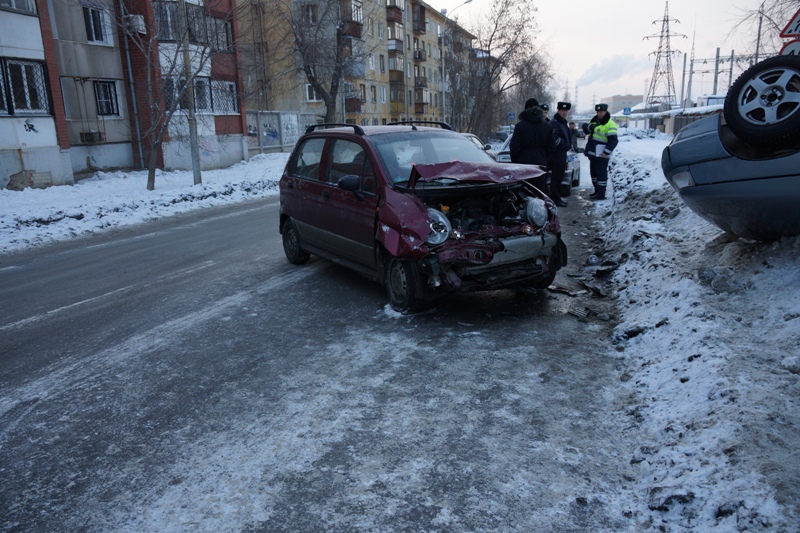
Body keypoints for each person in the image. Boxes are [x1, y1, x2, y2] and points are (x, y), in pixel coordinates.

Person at [510, 98, 556, 192]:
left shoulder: (520, 126)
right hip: (541, 165)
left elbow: (514, 147)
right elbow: (551, 148)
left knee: (523, 192)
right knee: (539, 192)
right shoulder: (547, 127)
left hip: (523, 165)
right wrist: (544, 159)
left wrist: (517, 161)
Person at [583, 103, 618, 200]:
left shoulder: (610, 124)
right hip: (593, 154)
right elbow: (586, 128)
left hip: (602, 155)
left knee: (601, 175)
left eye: (601, 112)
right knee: (594, 175)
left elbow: (613, 140)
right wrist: (589, 127)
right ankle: (596, 191)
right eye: (597, 112)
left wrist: (606, 152)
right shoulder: (595, 121)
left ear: (605, 112)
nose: (599, 113)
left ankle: (601, 194)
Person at [547, 101, 572, 207]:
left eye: (566, 111)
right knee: (556, 177)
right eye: (562, 110)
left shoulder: (562, 122)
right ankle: (555, 198)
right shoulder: (554, 123)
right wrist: (564, 144)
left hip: (561, 153)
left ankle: (557, 197)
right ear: (558, 110)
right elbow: (554, 139)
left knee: (559, 177)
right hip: (556, 154)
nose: (565, 112)